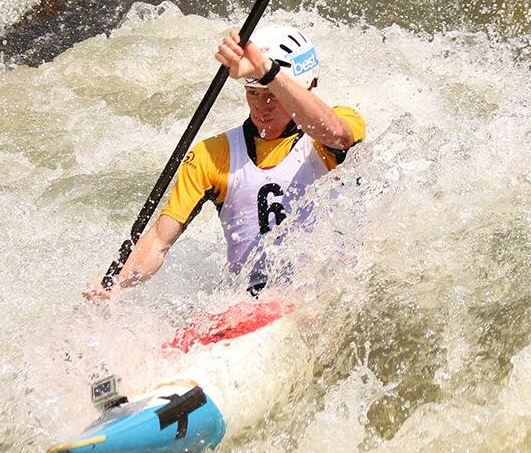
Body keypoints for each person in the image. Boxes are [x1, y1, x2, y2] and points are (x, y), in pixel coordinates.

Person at [84, 24, 365, 300]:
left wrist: (268, 73)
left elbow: (337, 135)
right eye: (252, 93)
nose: (261, 105)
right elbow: (159, 240)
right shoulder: (212, 155)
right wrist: (116, 282)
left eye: (272, 95)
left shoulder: (338, 126)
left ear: (308, 87)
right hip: (248, 301)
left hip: (323, 289)